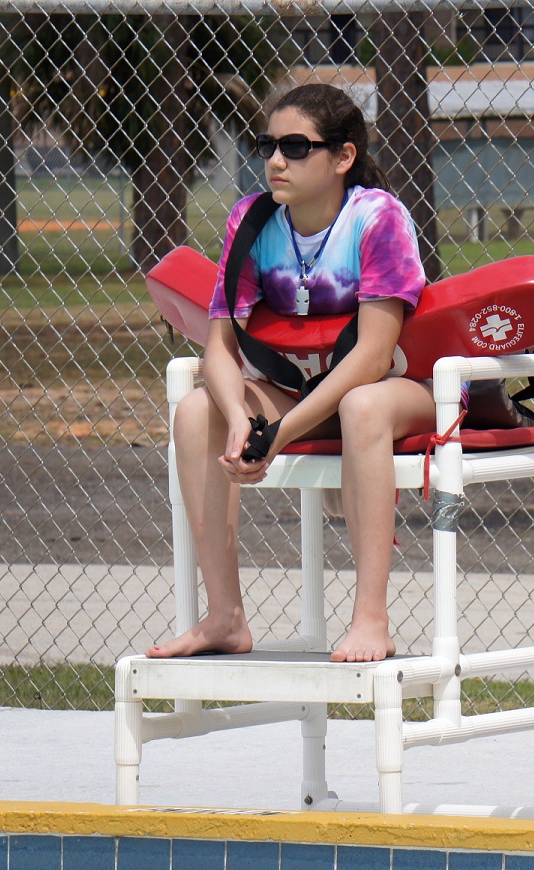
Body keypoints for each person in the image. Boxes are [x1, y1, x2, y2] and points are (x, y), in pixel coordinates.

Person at [146, 83, 427, 664]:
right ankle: (225, 617)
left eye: (296, 147)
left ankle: (371, 618)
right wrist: (237, 419)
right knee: (198, 408)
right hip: (298, 393)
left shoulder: (378, 219)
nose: (276, 160)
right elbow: (218, 351)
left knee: (362, 405)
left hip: (397, 390)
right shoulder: (251, 220)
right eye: (268, 144)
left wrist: (280, 433)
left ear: (343, 157)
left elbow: (374, 358)